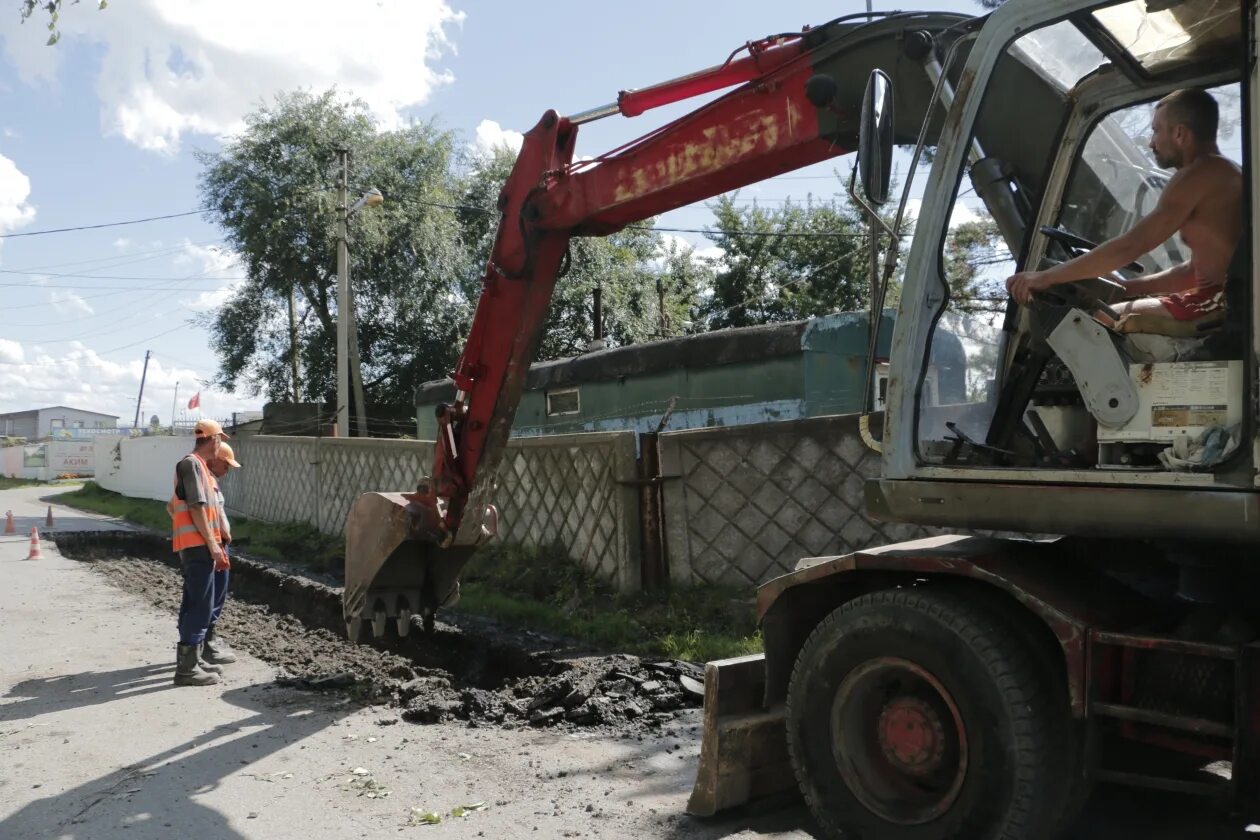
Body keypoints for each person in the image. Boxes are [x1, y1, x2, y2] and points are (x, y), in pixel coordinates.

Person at [1006, 88, 1243, 327]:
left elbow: (1131, 246)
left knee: (1097, 325)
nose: (1151, 142)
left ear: (1179, 133)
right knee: (1108, 314)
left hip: (1221, 300)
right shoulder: (1221, 172)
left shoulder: (1198, 174)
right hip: (1218, 296)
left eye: (1156, 130)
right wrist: (1125, 288)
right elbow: (1193, 272)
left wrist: (1045, 277)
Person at [169, 419, 230, 687]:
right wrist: (213, 544)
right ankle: (186, 671)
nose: (221, 446)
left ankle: (193, 661)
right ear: (214, 440)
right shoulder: (191, 464)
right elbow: (195, 508)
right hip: (197, 546)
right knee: (199, 604)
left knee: (198, 602)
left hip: (199, 544)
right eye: (220, 441)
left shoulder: (200, 468)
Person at [201, 442, 241, 666]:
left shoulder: (209, 482)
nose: (227, 470)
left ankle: (205, 643)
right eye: (226, 465)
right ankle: (208, 646)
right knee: (212, 597)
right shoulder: (205, 483)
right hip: (213, 546)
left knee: (212, 596)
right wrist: (217, 540)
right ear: (214, 460)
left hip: (215, 544)